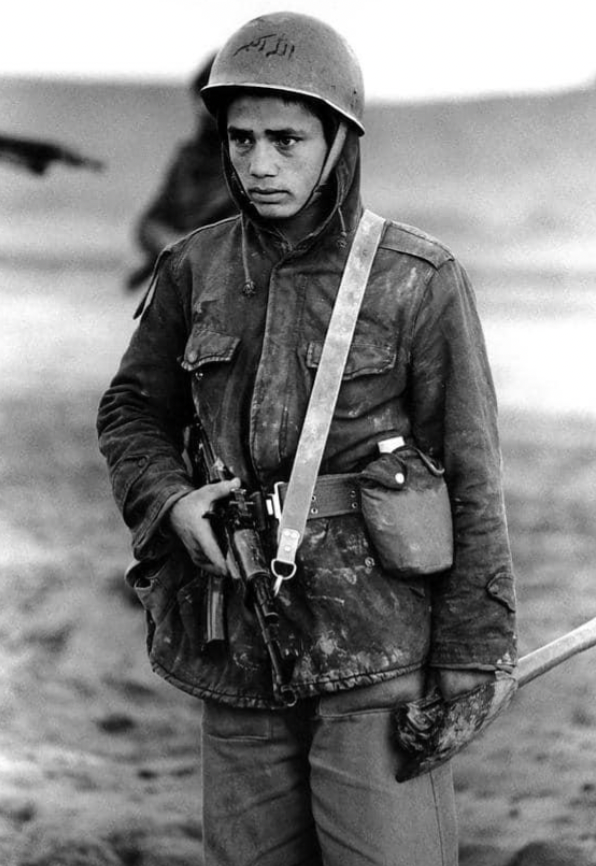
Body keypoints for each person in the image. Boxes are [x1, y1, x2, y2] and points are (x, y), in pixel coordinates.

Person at [97, 12, 517, 866]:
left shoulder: (417, 281)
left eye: (287, 140)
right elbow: (131, 411)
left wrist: (474, 656)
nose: (259, 164)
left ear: (338, 144)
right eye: (242, 138)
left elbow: (471, 470)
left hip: (374, 647)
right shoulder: (194, 269)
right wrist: (170, 502)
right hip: (236, 641)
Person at [125, 53, 236, 291]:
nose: (201, 110)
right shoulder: (188, 158)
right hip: (186, 286)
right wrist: (172, 245)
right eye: (199, 97)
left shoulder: (254, 163)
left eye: (210, 100)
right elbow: (149, 224)